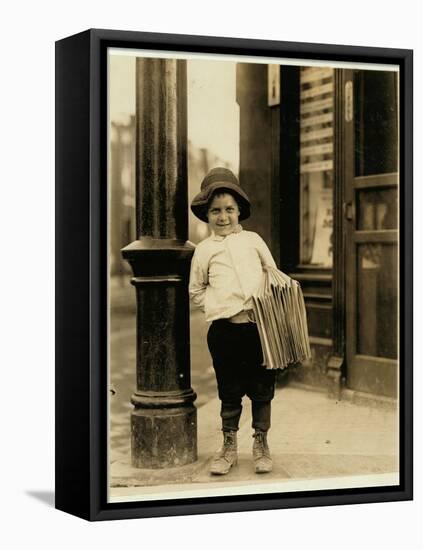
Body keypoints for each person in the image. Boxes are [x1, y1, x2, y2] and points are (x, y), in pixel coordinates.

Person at [189, 167, 277, 476]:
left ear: (239, 210)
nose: (223, 216)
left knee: (261, 388)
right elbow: (196, 289)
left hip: (259, 329)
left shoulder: (253, 241)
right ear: (207, 215)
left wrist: (263, 305)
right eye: (215, 211)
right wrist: (219, 307)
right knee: (229, 389)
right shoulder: (203, 251)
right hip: (224, 332)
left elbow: (272, 274)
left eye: (229, 209)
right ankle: (228, 446)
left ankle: (261, 443)